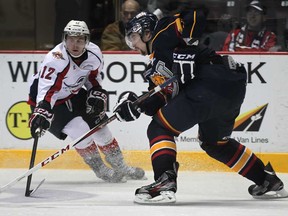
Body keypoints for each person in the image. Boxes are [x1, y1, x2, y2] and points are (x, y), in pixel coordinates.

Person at [113, 10, 288, 203]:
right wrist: (135, 106)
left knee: (159, 127)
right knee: (214, 143)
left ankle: (165, 183)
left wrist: (187, 44)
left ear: (147, 33)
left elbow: (195, 16)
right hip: (230, 87)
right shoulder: (155, 69)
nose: (133, 45)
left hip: (211, 79)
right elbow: (162, 97)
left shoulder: (164, 32)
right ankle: (266, 180)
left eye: (133, 38)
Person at [28, 20, 145, 183]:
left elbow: (92, 78)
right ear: (64, 39)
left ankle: (120, 166)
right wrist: (43, 110)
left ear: (87, 41)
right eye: (71, 39)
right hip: (48, 101)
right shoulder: (55, 59)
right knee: (80, 131)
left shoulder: (94, 53)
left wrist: (95, 91)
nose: (75, 44)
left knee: (101, 129)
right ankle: (101, 169)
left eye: (80, 40)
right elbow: (47, 90)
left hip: (73, 94)